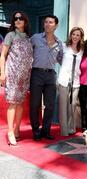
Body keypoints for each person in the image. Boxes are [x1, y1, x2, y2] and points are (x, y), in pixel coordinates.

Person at [0, 11, 33, 146]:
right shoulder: (10, 35)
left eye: (20, 18)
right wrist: (2, 73)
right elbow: (2, 56)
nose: (17, 20)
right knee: (13, 103)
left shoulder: (28, 38)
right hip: (12, 74)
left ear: (25, 21)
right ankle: (10, 132)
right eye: (15, 19)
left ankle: (17, 129)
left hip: (24, 76)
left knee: (20, 104)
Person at [30, 14, 63, 141]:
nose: (47, 24)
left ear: (56, 25)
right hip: (37, 73)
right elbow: (27, 53)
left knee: (50, 105)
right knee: (35, 104)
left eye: (51, 22)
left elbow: (61, 60)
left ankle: (46, 130)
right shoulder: (35, 38)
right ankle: (36, 130)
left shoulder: (59, 43)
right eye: (46, 22)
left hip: (51, 75)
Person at [58, 27, 84, 136]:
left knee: (72, 105)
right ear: (71, 35)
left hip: (76, 81)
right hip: (64, 80)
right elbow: (59, 59)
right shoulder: (64, 47)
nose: (75, 37)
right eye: (74, 34)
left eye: (78, 35)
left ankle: (71, 128)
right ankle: (64, 130)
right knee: (63, 106)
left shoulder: (82, 51)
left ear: (81, 37)